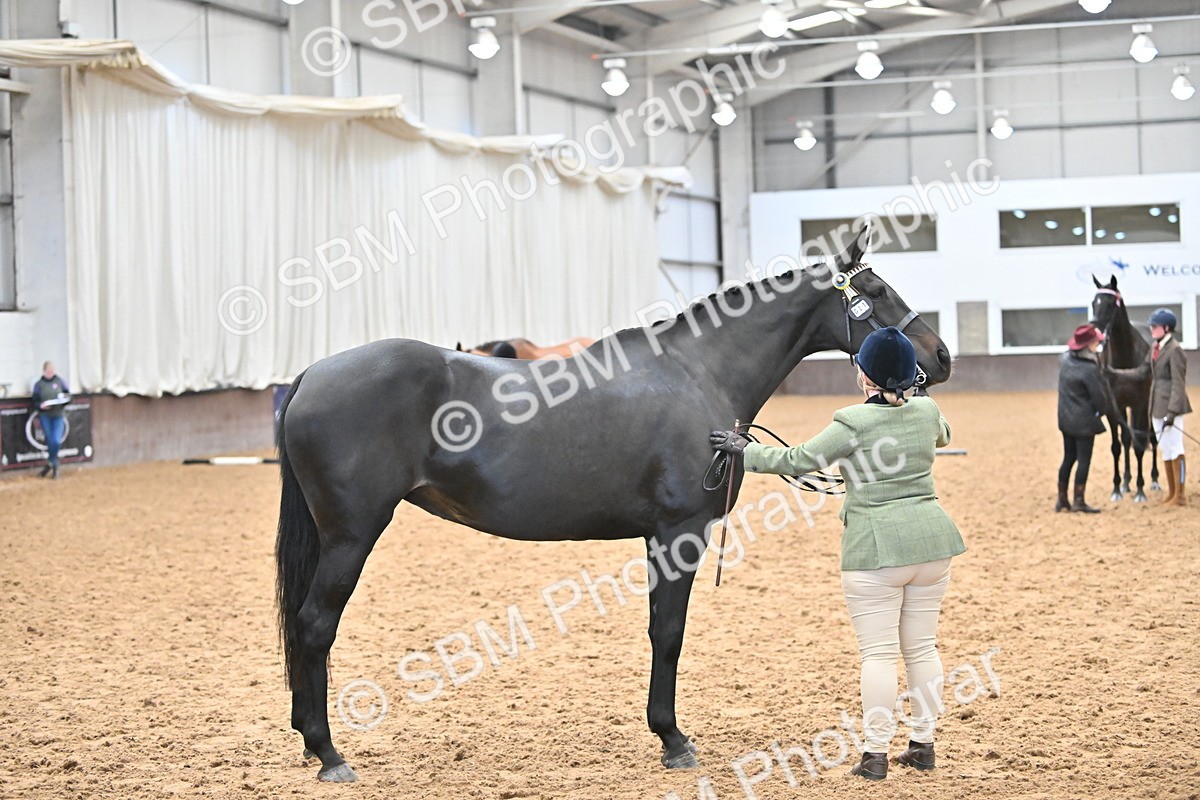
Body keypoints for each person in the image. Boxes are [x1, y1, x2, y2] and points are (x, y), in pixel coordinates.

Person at [710, 327, 966, 782]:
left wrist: (745, 451)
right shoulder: (928, 410)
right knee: (922, 647)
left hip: (876, 549)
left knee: (879, 656)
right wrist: (915, 394)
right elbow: (943, 434)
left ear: (865, 377)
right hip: (932, 544)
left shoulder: (852, 421)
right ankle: (923, 745)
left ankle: (875, 754)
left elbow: (798, 460)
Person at [1109, 309, 1191, 506]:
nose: (1151, 329)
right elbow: (1142, 371)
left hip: (1170, 406)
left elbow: (1178, 384)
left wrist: (1173, 412)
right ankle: (1172, 493)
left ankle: (1180, 494)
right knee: (1165, 448)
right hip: (1157, 405)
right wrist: (1116, 373)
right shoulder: (1155, 347)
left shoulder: (1175, 350)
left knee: (1176, 448)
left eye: (1155, 326)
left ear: (1167, 328)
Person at [1056, 324, 1108, 513]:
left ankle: (1062, 499)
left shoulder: (1064, 359)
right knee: (1084, 460)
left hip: (1065, 418)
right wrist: (1102, 411)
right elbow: (1099, 398)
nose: (1098, 346)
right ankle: (1079, 500)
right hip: (1084, 422)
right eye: (1095, 343)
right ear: (1088, 345)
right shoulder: (1089, 369)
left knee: (1068, 458)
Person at [30, 361, 71, 479]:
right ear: (44, 372)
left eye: (52, 371)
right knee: (49, 440)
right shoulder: (39, 384)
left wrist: (63, 400)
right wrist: (40, 406)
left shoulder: (60, 382)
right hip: (45, 415)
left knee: (56, 440)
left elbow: (69, 397)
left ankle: (52, 463)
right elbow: (34, 401)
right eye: (48, 371)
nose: (50, 373)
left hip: (58, 414)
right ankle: (53, 465)